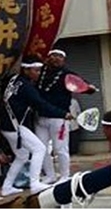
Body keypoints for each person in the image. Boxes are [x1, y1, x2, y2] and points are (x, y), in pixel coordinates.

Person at [0, 57, 73, 196]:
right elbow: (41, 105)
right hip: (15, 127)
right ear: (26, 70)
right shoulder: (26, 87)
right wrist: (63, 114)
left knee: (22, 155)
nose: (39, 73)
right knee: (39, 149)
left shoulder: (14, 80)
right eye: (36, 70)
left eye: (40, 70)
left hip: (8, 125)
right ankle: (34, 184)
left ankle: (7, 187)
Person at [36, 49, 89, 183]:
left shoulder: (68, 75)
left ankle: (65, 176)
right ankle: (50, 175)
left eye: (60, 56)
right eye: (53, 56)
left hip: (60, 118)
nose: (56, 58)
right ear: (48, 58)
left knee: (60, 148)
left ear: (64, 59)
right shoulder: (40, 73)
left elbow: (83, 85)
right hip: (40, 117)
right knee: (41, 149)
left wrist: (89, 88)